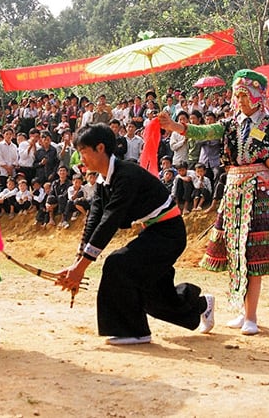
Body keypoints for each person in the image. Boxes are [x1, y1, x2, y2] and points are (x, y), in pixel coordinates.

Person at [159, 69, 269, 335]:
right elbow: (204, 131)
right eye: (236, 95)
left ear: (257, 97)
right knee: (235, 251)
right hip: (234, 190)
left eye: (243, 95)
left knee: (253, 253)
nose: (238, 100)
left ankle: (251, 315)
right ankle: (241, 310)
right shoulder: (231, 124)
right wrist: (174, 127)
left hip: (260, 192)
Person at [55, 123, 215, 345]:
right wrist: (77, 261)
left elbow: (110, 221)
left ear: (100, 148)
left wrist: (81, 268)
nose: (80, 159)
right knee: (150, 294)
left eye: (83, 152)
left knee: (117, 264)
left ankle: (132, 331)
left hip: (168, 235)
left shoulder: (126, 175)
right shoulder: (103, 181)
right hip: (154, 233)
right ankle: (200, 305)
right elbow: (95, 219)